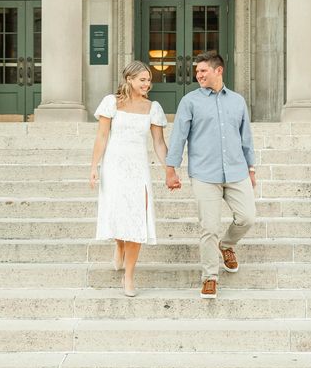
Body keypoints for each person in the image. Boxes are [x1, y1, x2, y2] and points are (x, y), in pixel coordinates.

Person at [165, 51, 257, 299]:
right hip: (205, 174)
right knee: (209, 227)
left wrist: (251, 168)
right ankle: (210, 277)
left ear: (219, 71)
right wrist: (170, 169)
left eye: (203, 71)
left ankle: (226, 245)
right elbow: (179, 137)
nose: (198, 75)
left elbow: (245, 136)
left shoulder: (237, 101)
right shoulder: (190, 101)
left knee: (247, 217)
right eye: (197, 71)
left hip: (237, 170)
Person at [90, 61, 168, 297]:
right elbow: (102, 136)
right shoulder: (111, 103)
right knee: (118, 213)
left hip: (138, 169)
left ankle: (129, 276)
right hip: (113, 167)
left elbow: (158, 143)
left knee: (137, 218)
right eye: (142, 79)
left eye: (148, 80)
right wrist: (94, 166)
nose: (147, 84)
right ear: (130, 80)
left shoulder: (153, 107)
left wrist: (169, 169)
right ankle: (119, 245)